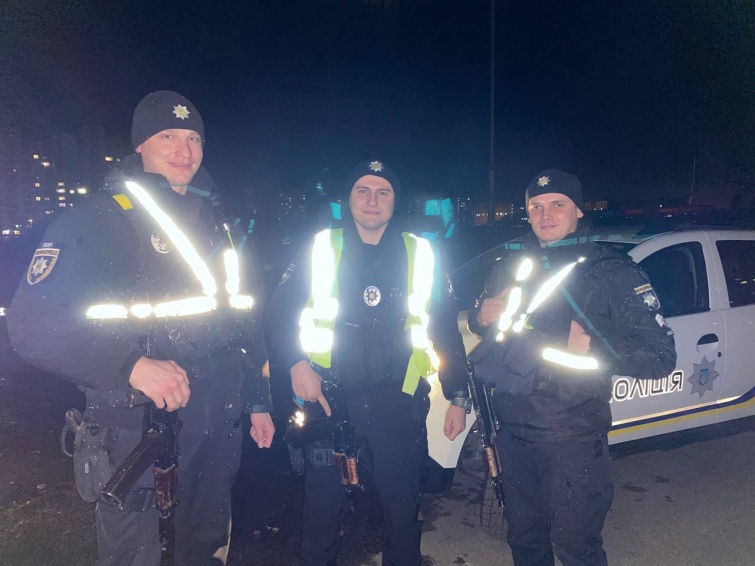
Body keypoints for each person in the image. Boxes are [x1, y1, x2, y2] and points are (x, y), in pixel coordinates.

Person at [7, 90, 274, 566]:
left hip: (218, 428)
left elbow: (244, 318)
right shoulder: (98, 220)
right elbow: (30, 325)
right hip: (137, 430)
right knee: (138, 556)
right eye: (168, 136)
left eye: (193, 138)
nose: (184, 150)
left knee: (207, 548)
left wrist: (257, 400)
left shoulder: (221, 223)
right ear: (140, 145)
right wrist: (130, 365)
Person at [265, 159, 469, 566]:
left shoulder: (421, 252)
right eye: (363, 190)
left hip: (399, 404)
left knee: (402, 512)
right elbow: (277, 314)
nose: (372, 200)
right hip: (329, 401)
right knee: (322, 513)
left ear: (395, 200)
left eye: (383, 192)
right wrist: (295, 363)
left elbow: (444, 325)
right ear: (348, 199)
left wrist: (458, 395)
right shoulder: (320, 248)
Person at [468, 169, 677, 566]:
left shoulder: (611, 270)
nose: (545, 215)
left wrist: (597, 347)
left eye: (557, 204)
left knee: (576, 546)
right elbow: (492, 329)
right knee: (525, 541)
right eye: (536, 207)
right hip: (511, 430)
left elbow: (660, 356)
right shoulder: (512, 266)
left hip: (572, 437)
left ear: (579, 210)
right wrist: (481, 317)